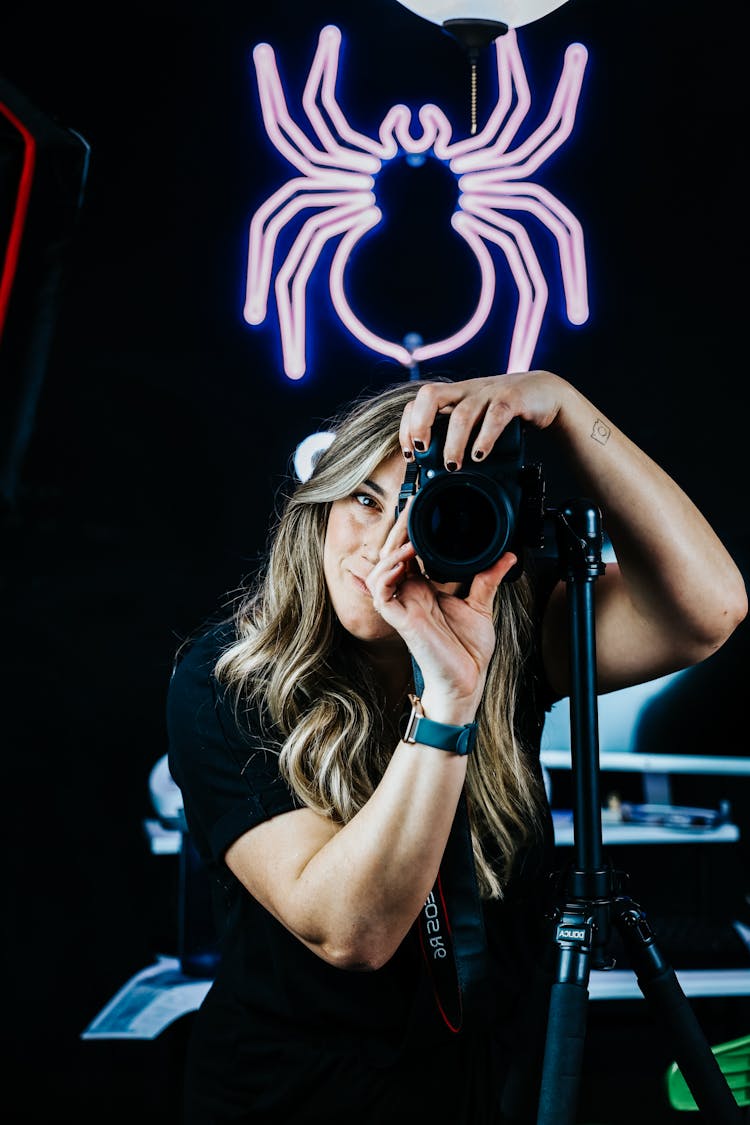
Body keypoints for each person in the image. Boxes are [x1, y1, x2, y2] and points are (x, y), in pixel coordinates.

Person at [166, 370, 747, 1124]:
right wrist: (447, 699)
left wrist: (570, 410)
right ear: (320, 508)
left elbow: (711, 609)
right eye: (365, 501)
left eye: (422, 510)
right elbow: (351, 931)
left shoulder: (510, 629)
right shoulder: (230, 676)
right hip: (297, 1094)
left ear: (475, 526)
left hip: (483, 1077)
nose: (381, 543)